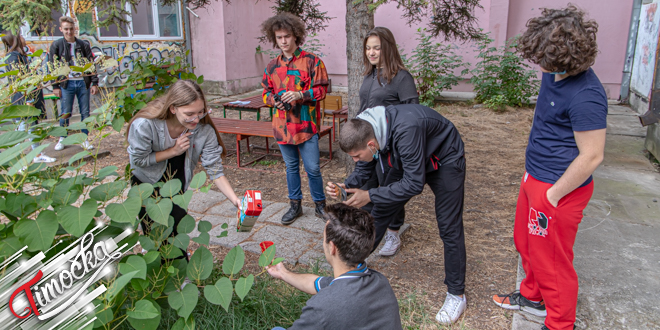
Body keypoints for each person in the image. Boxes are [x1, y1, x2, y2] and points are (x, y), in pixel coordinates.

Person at [492, 6, 607, 330]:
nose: (538, 63)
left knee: (553, 263)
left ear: (565, 56)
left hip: (559, 189)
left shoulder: (587, 95)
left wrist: (554, 195)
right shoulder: (553, 70)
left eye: (544, 57)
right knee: (525, 243)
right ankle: (532, 297)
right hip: (535, 177)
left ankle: (559, 323)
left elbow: (592, 156)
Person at [326, 104, 467, 324]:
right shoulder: (364, 125)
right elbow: (365, 164)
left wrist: (370, 194)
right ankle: (351, 266)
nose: (354, 160)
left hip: (444, 157)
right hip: (409, 156)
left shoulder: (406, 129)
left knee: (449, 226)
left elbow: (413, 184)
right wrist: (346, 185)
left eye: (355, 155)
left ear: (372, 144)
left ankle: (456, 294)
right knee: (381, 209)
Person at [126, 80, 241, 257]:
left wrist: (235, 201)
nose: (196, 119)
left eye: (200, 112)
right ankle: (154, 266)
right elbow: (138, 161)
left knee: (177, 231)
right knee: (154, 234)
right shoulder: (146, 125)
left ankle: (181, 276)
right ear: (173, 108)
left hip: (177, 183)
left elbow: (215, 170)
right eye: (189, 114)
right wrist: (173, 151)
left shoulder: (203, 131)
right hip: (146, 182)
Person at [267, 203, 402, 330]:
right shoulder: (379, 281)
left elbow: (330, 301)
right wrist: (283, 273)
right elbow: (316, 283)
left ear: (332, 248)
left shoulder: (322, 309)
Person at [261, 13, 329, 225]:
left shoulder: (313, 61)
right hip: (282, 127)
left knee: (313, 169)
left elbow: (322, 91)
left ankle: (320, 206)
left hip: (306, 127)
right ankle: (295, 206)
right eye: (279, 37)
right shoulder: (272, 66)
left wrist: (301, 95)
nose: (283, 41)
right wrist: (274, 100)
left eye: (287, 36)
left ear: (296, 36)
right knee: (291, 168)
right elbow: (265, 93)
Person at [357, 26, 420, 256]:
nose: (371, 53)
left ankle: (393, 234)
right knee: (368, 186)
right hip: (369, 144)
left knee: (390, 190)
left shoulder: (401, 77)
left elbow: (413, 114)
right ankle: (369, 229)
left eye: (377, 48)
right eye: (368, 48)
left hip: (391, 146)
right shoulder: (370, 75)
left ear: (388, 48)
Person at [2, 32, 56, 163]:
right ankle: (17, 159)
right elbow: (19, 81)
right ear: (15, 40)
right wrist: (28, 100)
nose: (24, 38)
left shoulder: (19, 55)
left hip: (26, 97)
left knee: (31, 126)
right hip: (23, 99)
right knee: (22, 128)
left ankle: (36, 154)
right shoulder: (13, 57)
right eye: (21, 36)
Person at [49, 16, 98, 151]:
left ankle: (84, 139)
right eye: (66, 29)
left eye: (71, 29)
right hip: (66, 84)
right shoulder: (57, 45)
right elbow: (52, 66)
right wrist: (55, 86)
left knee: (85, 112)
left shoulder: (83, 45)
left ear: (75, 29)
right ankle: (63, 138)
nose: (69, 32)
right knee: (66, 112)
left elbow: (91, 64)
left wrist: (94, 82)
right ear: (61, 29)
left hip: (83, 83)